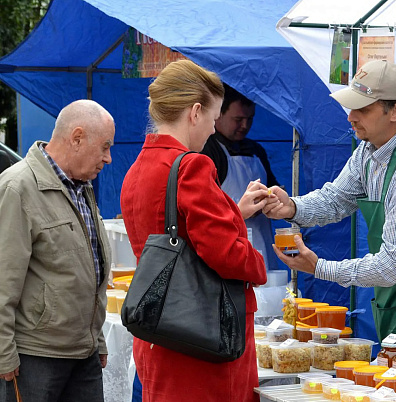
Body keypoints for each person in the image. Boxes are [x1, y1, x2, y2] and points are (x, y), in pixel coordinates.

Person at [265, 60, 396, 344]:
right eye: (351, 107)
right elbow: (336, 199)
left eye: (362, 108)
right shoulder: (368, 150)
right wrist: (293, 207)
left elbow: (392, 265)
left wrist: (319, 267)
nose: (350, 117)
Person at [120, 59, 268, 402]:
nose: (214, 131)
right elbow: (225, 254)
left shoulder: (137, 170)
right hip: (203, 336)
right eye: (214, 120)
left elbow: (177, 230)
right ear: (195, 112)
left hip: (160, 329)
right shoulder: (192, 166)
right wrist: (258, 263)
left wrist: (233, 211)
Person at [0, 99, 115, 401]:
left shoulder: (81, 186)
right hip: (35, 357)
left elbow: (88, 268)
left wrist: (98, 339)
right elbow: (2, 281)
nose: (109, 158)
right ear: (77, 138)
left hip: (84, 354)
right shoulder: (18, 187)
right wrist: (3, 355)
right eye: (104, 147)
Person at [201, 84, 280, 271]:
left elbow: (273, 186)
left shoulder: (256, 150)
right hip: (229, 246)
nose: (244, 126)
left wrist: (275, 197)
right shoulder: (207, 150)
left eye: (249, 119)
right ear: (218, 114)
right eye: (238, 119)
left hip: (262, 243)